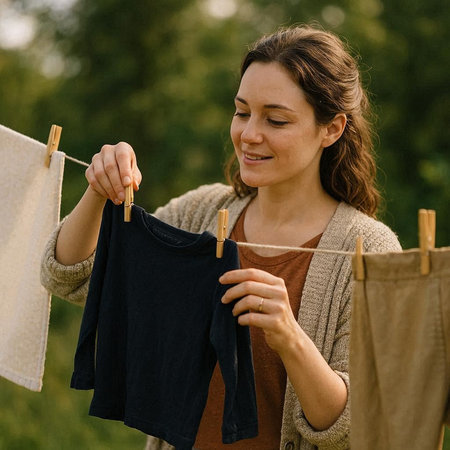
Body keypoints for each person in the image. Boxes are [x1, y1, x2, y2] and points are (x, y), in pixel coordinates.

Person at [41, 24, 401, 450]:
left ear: (333, 128)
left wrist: (290, 337)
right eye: (242, 111)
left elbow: (357, 426)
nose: (249, 135)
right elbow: (70, 278)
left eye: (276, 119)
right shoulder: (202, 213)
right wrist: (98, 194)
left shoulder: (368, 250)